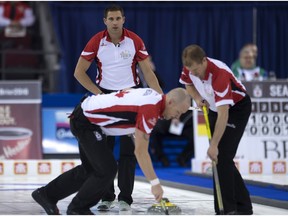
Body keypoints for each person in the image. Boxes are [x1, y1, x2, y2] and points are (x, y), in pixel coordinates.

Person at [31, 87, 191, 215]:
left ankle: (46, 195)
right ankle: (77, 209)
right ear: (170, 102)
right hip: (86, 121)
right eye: (178, 112)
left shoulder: (152, 96)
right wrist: (155, 184)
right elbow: (141, 152)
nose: (176, 117)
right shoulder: (151, 108)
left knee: (90, 171)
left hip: (87, 117)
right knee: (107, 169)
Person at [73, 4, 163, 213]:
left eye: (118, 19)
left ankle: (125, 198)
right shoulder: (96, 41)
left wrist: (160, 98)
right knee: (104, 153)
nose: (114, 22)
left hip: (132, 97)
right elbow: (79, 72)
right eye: (111, 19)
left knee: (128, 152)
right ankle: (106, 197)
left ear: (124, 20)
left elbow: (148, 74)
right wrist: (100, 95)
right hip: (105, 97)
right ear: (104, 21)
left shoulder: (134, 40)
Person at [179, 44, 253, 215]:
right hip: (212, 108)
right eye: (192, 70)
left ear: (204, 60)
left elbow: (224, 115)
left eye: (197, 70)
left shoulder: (219, 74)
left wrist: (213, 145)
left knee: (221, 155)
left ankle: (228, 209)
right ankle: (243, 205)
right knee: (220, 159)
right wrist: (197, 98)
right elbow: (188, 84)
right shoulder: (189, 68)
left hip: (236, 109)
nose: (195, 74)